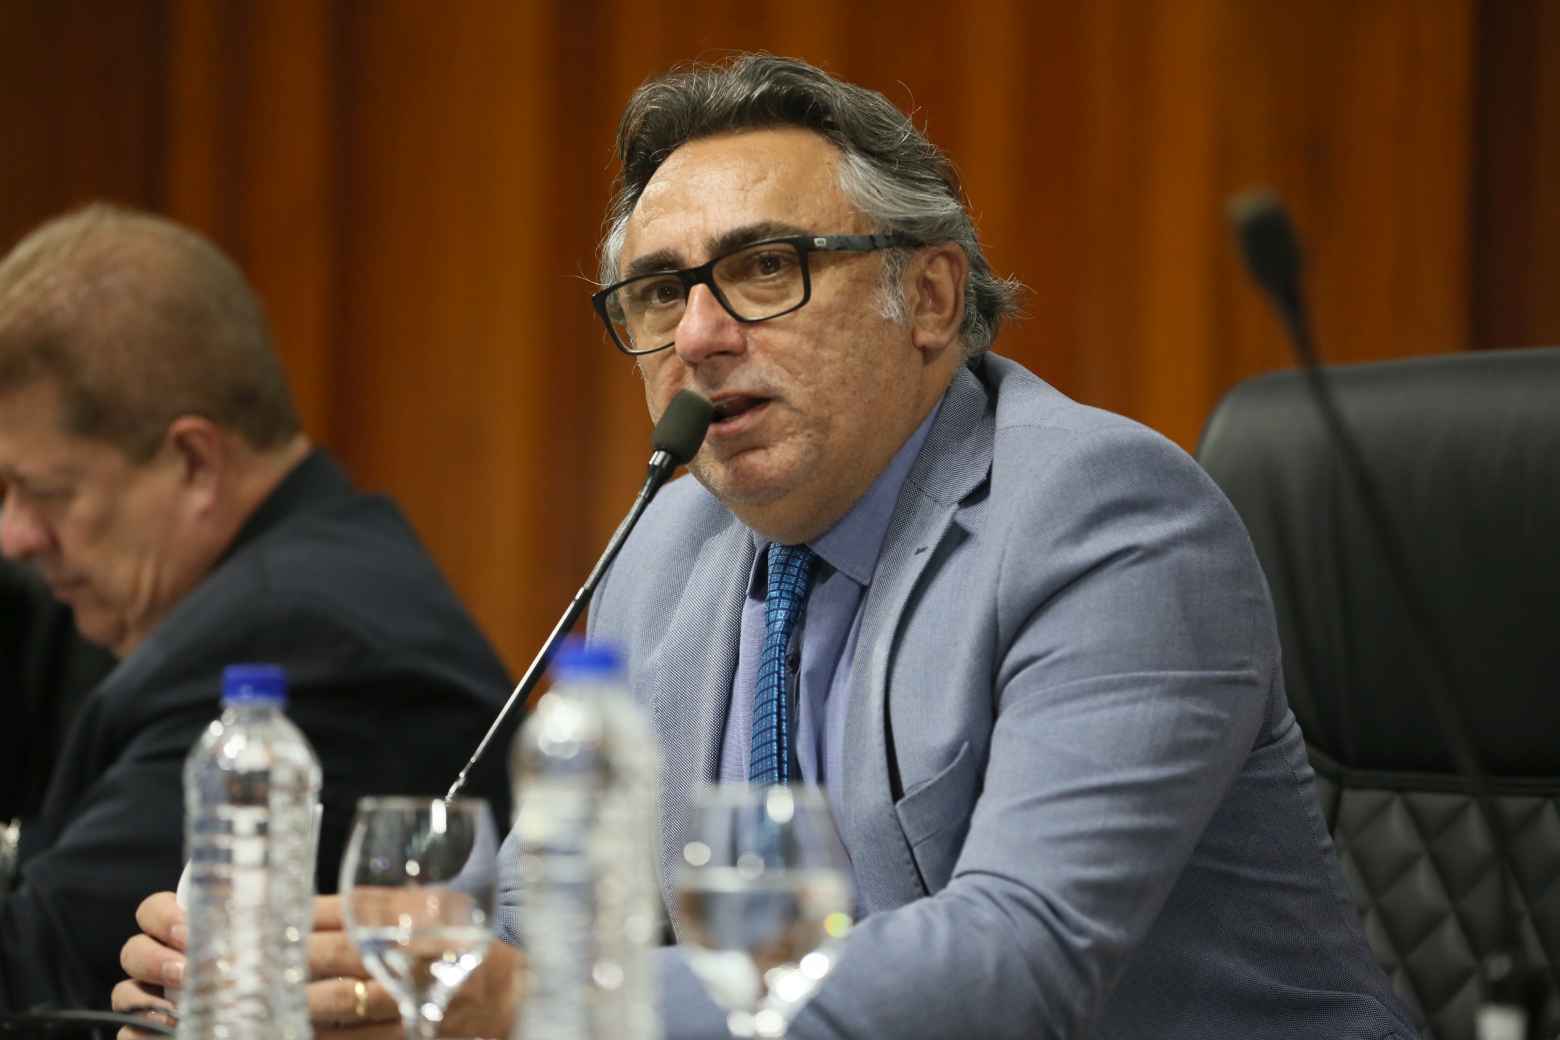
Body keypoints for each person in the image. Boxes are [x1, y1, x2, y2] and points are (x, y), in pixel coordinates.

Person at [120, 55, 1419, 1039]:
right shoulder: (669, 541)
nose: (697, 337)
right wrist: (343, 972)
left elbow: (1020, 960)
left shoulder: (1108, 520)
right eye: (657, 291)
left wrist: (536, 1003)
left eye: (764, 267)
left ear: (929, 296)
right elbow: (541, 921)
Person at [0, 204, 516, 1015]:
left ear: (194, 462)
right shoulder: (257, 590)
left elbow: (39, 979)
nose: (15, 536)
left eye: (48, 493)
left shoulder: (294, 642)